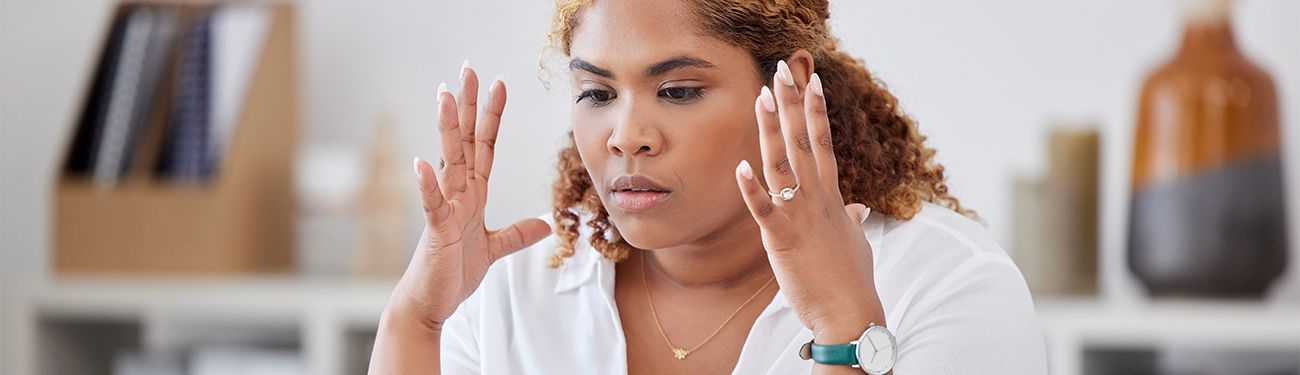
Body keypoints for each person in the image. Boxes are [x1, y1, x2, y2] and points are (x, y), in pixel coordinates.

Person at [369, 0, 1047, 373]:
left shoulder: (950, 286)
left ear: (788, 83)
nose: (627, 135)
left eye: (678, 90)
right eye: (596, 92)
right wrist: (415, 320)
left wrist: (848, 330)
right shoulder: (512, 295)